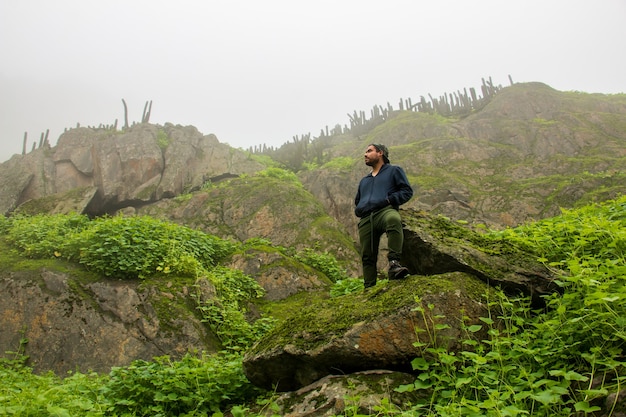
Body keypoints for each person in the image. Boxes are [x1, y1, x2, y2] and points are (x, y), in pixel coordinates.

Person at [354, 144, 413, 288]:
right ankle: (369, 286)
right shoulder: (364, 181)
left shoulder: (394, 171)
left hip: (385, 210)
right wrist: (360, 209)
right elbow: (358, 200)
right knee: (367, 255)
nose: (365, 154)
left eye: (369, 151)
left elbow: (406, 191)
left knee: (393, 219)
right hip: (366, 218)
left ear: (380, 153)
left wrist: (389, 200)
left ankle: (394, 264)